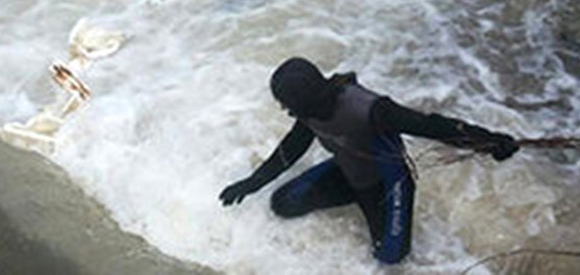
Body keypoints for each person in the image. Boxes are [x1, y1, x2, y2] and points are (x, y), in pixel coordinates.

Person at [219, 58, 518, 265]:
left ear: (304, 99)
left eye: (286, 103)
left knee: (389, 258)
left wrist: (489, 141)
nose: (284, 109)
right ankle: (350, 195)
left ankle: (376, 211)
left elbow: (431, 126)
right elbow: (290, 150)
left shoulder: (369, 109)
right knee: (283, 204)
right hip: (352, 174)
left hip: (388, 183)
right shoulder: (308, 111)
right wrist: (251, 183)